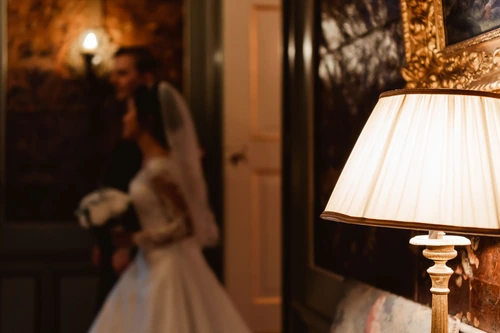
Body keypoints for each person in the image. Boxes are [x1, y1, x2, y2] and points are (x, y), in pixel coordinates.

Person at [88, 82, 250, 332]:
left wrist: (134, 238)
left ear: (146, 120)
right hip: (149, 261)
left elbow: (184, 226)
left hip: (168, 265)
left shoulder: (159, 170)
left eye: (129, 111)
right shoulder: (150, 165)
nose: (125, 118)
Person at [92, 46, 158, 311]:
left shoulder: (155, 134)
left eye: (123, 73)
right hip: (116, 241)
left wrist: (129, 247)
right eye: (114, 73)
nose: (114, 80)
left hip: (139, 245)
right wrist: (101, 241)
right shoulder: (113, 118)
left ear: (145, 78)